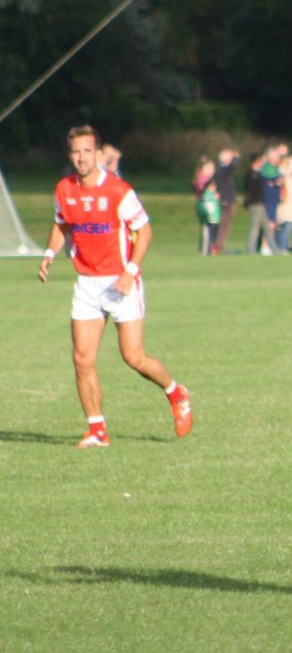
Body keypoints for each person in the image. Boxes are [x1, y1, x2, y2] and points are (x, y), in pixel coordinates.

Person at [37, 125, 193, 448]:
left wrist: (130, 271)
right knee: (82, 359)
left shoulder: (118, 191)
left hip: (121, 282)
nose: (81, 158)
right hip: (87, 284)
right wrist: (50, 252)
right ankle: (97, 430)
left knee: (133, 357)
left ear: (98, 153)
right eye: (76, 152)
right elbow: (60, 224)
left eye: (87, 151)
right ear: (71, 155)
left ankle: (176, 392)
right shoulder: (64, 190)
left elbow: (145, 231)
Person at [212, 148, 239, 255]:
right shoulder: (222, 169)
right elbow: (232, 167)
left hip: (228, 200)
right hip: (226, 201)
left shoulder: (222, 170)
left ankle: (220, 245)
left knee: (226, 225)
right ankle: (220, 246)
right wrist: (236, 158)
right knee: (224, 225)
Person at [243, 148, 269, 255]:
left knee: (267, 229)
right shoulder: (251, 174)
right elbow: (251, 191)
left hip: (260, 203)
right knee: (255, 227)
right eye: (262, 160)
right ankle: (251, 249)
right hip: (255, 204)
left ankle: (276, 249)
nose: (264, 162)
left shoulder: (258, 174)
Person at [193, 156, 220, 256]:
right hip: (204, 205)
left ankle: (208, 247)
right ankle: (206, 249)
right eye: (210, 168)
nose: (213, 170)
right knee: (208, 227)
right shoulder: (203, 179)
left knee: (209, 227)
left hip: (206, 204)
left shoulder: (207, 179)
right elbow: (202, 190)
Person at [276, 155, 292, 254]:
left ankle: (283, 247)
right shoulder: (284, 175)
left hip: (291, 207)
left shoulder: (289, 176)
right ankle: (281, 248)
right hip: (286, 207)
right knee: (285, 229)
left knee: (285, 229)